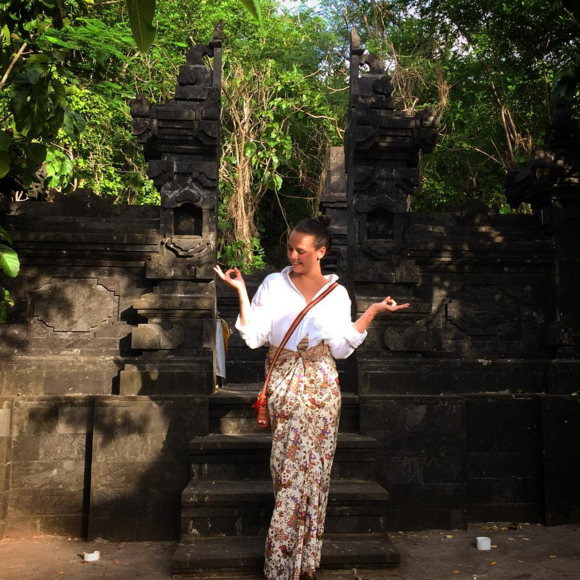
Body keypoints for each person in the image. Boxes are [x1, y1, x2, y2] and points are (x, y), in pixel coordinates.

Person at [214, 216, 409, 580]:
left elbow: (339, 347)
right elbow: (256, 336)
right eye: (289, 248)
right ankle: (281, 566)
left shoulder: (336, 294)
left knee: (315, 475)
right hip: (286, 383)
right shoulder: (274, 284)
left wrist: (372, 313)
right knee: (288, 474)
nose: (292, 256)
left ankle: (304, 565)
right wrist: (240, 291)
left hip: (322, 385)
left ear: (321, 252)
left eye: (300, 251)